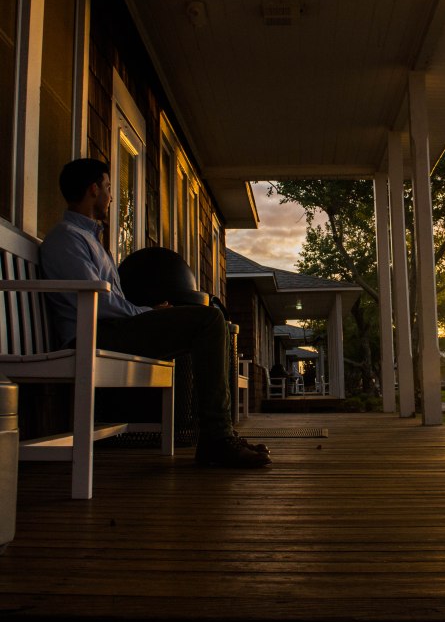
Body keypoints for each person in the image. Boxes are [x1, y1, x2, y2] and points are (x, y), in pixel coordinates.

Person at [40, 158, 271, 469]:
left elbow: (108, 299)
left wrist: (151, 314)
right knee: (208, 320)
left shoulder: (90, 241)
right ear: (93, 190)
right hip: (96, 333)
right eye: (108, 188)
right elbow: (98, 301)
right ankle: (217, 439)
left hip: (112, 330)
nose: (110, 196)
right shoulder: (67, 238)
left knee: (205, 321)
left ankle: (220, 435)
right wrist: (146, 312)